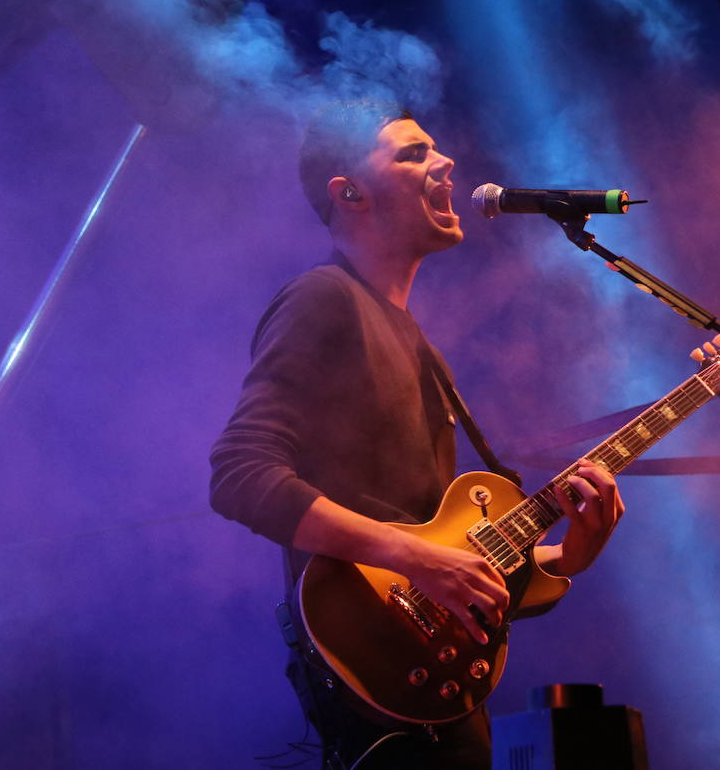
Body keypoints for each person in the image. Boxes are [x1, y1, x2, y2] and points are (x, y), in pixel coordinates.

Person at [209, 101, 624, 769]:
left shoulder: (420, 346)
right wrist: (414, 557)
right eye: (412, 154)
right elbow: (239, 474)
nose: (446, 162)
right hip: (377, 703)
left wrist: (569, 555)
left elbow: (453, 562)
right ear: (349, 194)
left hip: (438, 698)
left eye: (436, 150)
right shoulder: (323, 298)